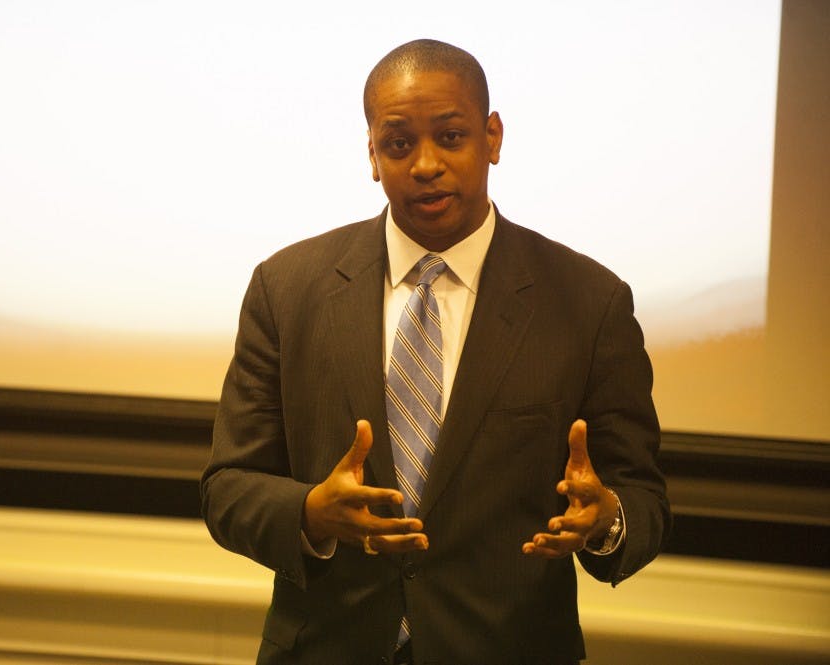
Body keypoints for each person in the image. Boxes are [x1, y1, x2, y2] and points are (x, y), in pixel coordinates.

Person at [201, 39, 669, 665]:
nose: (426, 165)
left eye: (450, 137)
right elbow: (227, 488)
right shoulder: (285, 288)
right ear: (372, 154)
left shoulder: (589, 302)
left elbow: (643, 500)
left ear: (492, 138)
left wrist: (606, 520)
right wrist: (310, 513)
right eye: (399, 144)